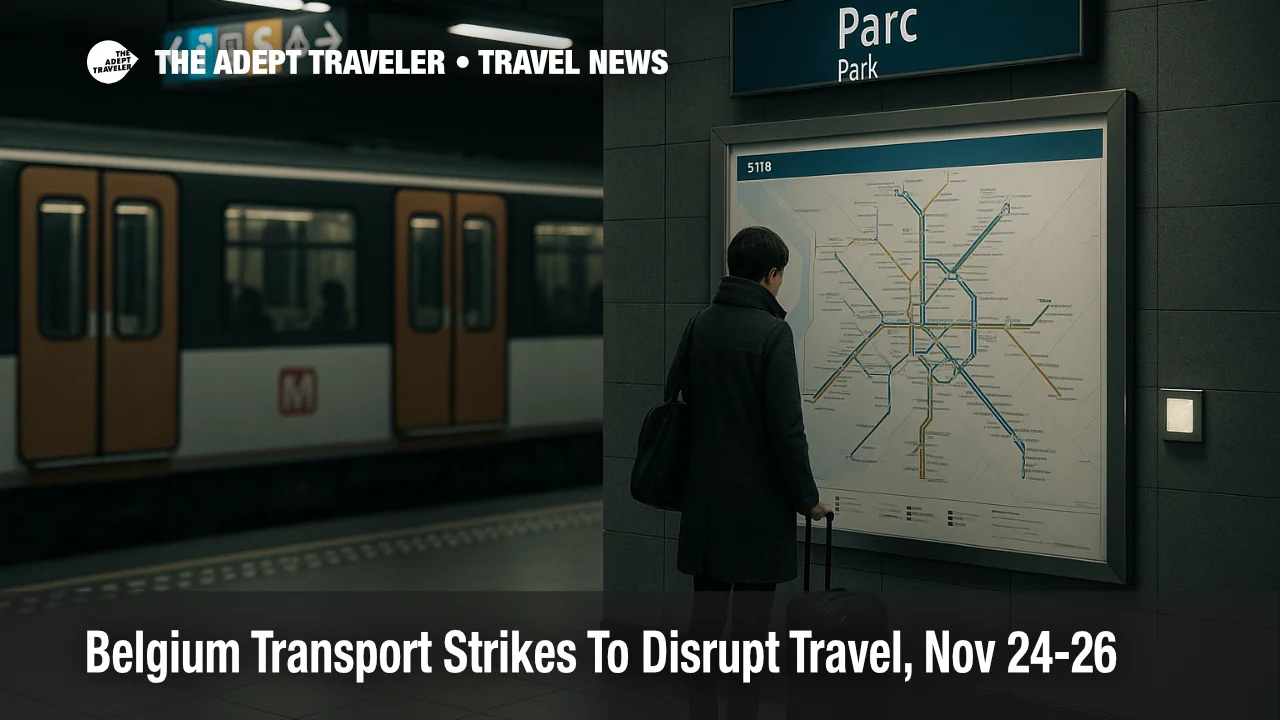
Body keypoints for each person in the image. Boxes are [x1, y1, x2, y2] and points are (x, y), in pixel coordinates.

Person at [674, 225, 832, 720]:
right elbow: (787, 429)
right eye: (780, 275)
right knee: (748, 632)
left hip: (705, 502)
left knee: (705, 620)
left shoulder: (700, 324)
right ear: (770, 275)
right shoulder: (772, 333)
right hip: (757, 509)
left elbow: (677, 398)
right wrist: (807, 498)